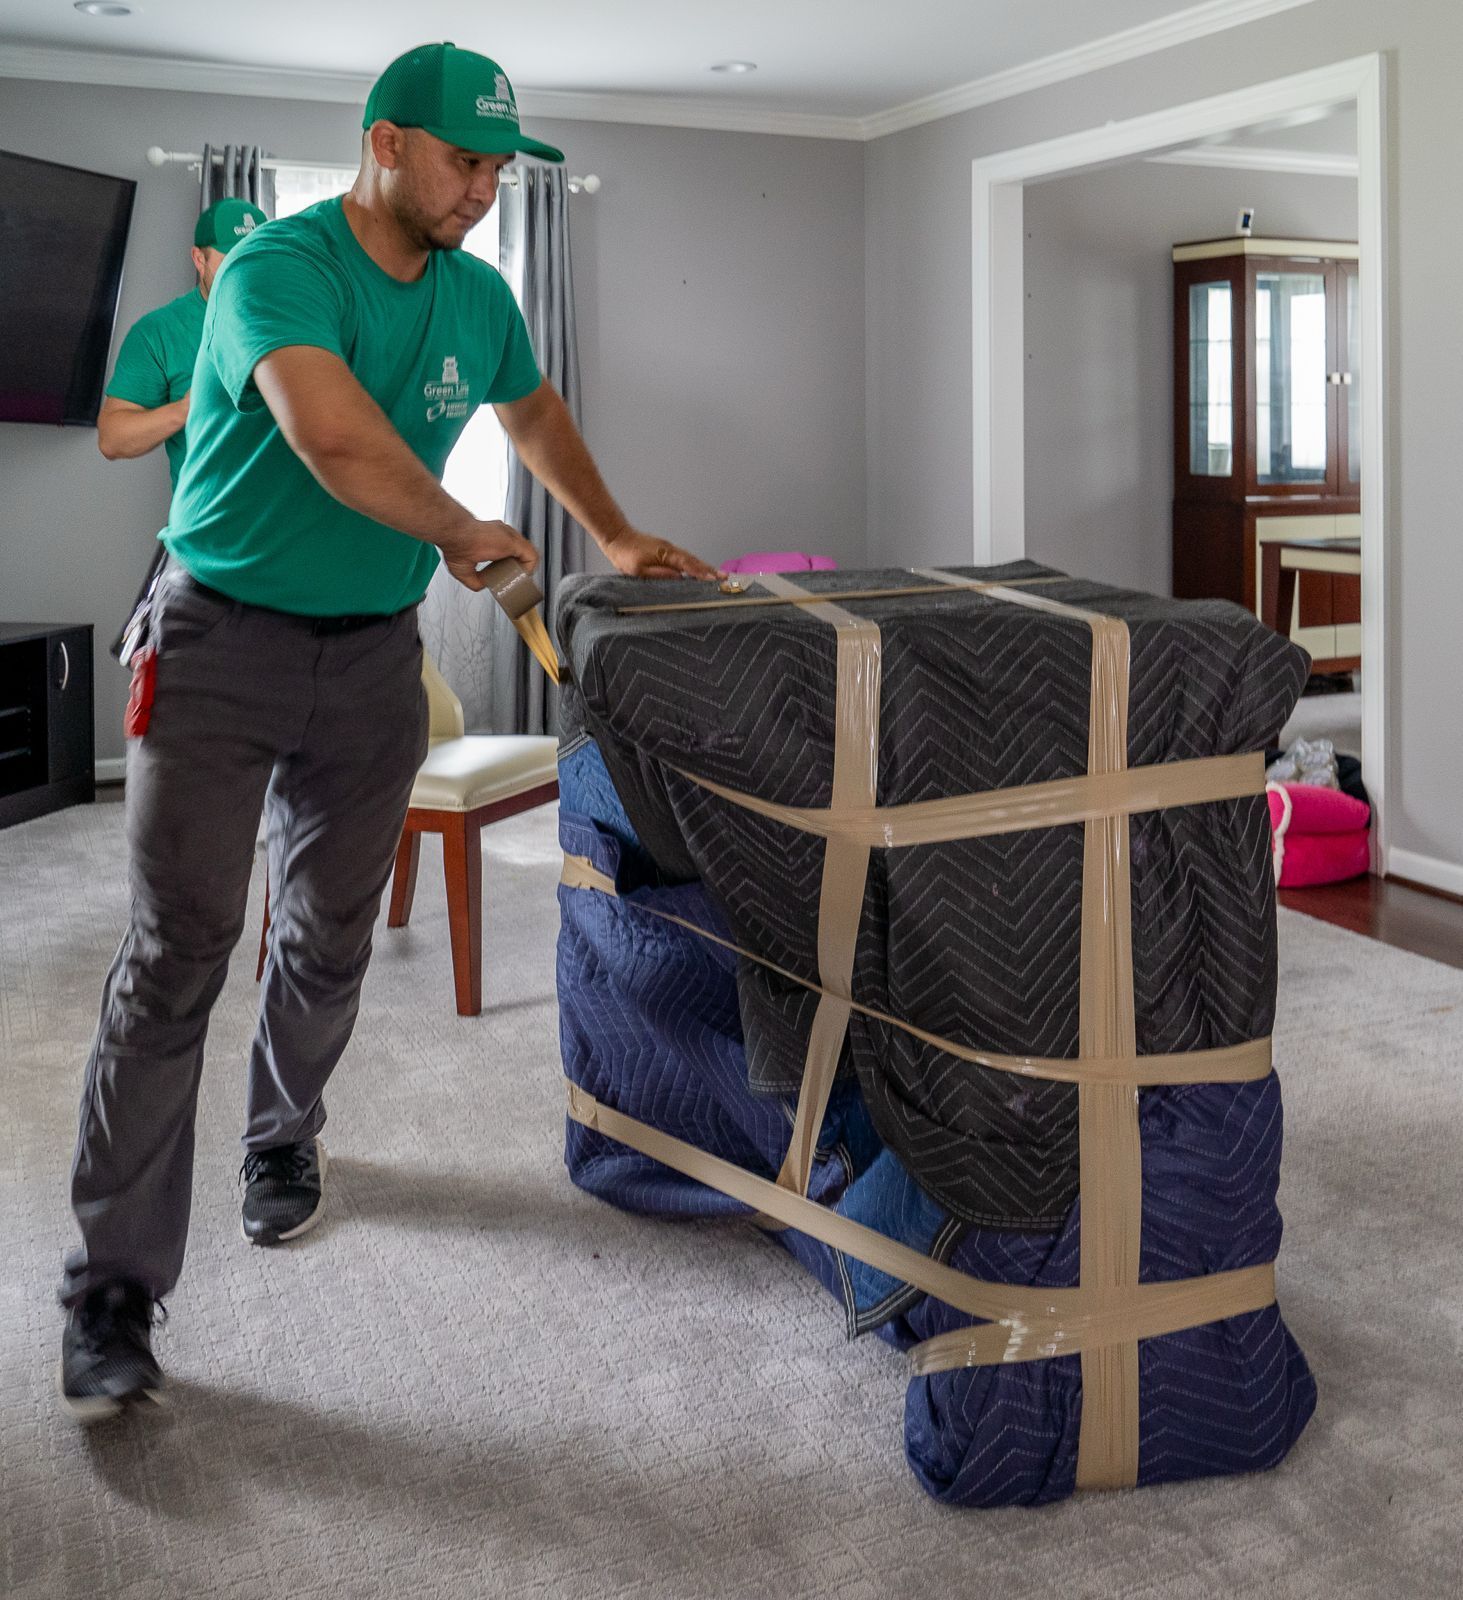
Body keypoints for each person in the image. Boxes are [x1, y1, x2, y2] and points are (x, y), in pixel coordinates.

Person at [58, 40, 717, 1421]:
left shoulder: (479, 295)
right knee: (176, 953)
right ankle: (111, 1291)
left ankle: (280, 1142)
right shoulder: (274, 271)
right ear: (385, 143)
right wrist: (466, 529)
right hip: (217, 639)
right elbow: (333, 438)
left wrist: (609, 529)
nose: (482, 187)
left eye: (496, 167)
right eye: (462, 158)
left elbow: (529, 411)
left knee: (329, 932)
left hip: (368, 659)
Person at [99, 198, 268, 654]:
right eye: (231, 256)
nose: (244, 267)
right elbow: (113, 438)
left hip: (286, 546)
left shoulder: (292, 319)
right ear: (199, 258)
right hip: (205, 551)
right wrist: (188, 410)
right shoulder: (161, 332)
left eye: (255, 253)